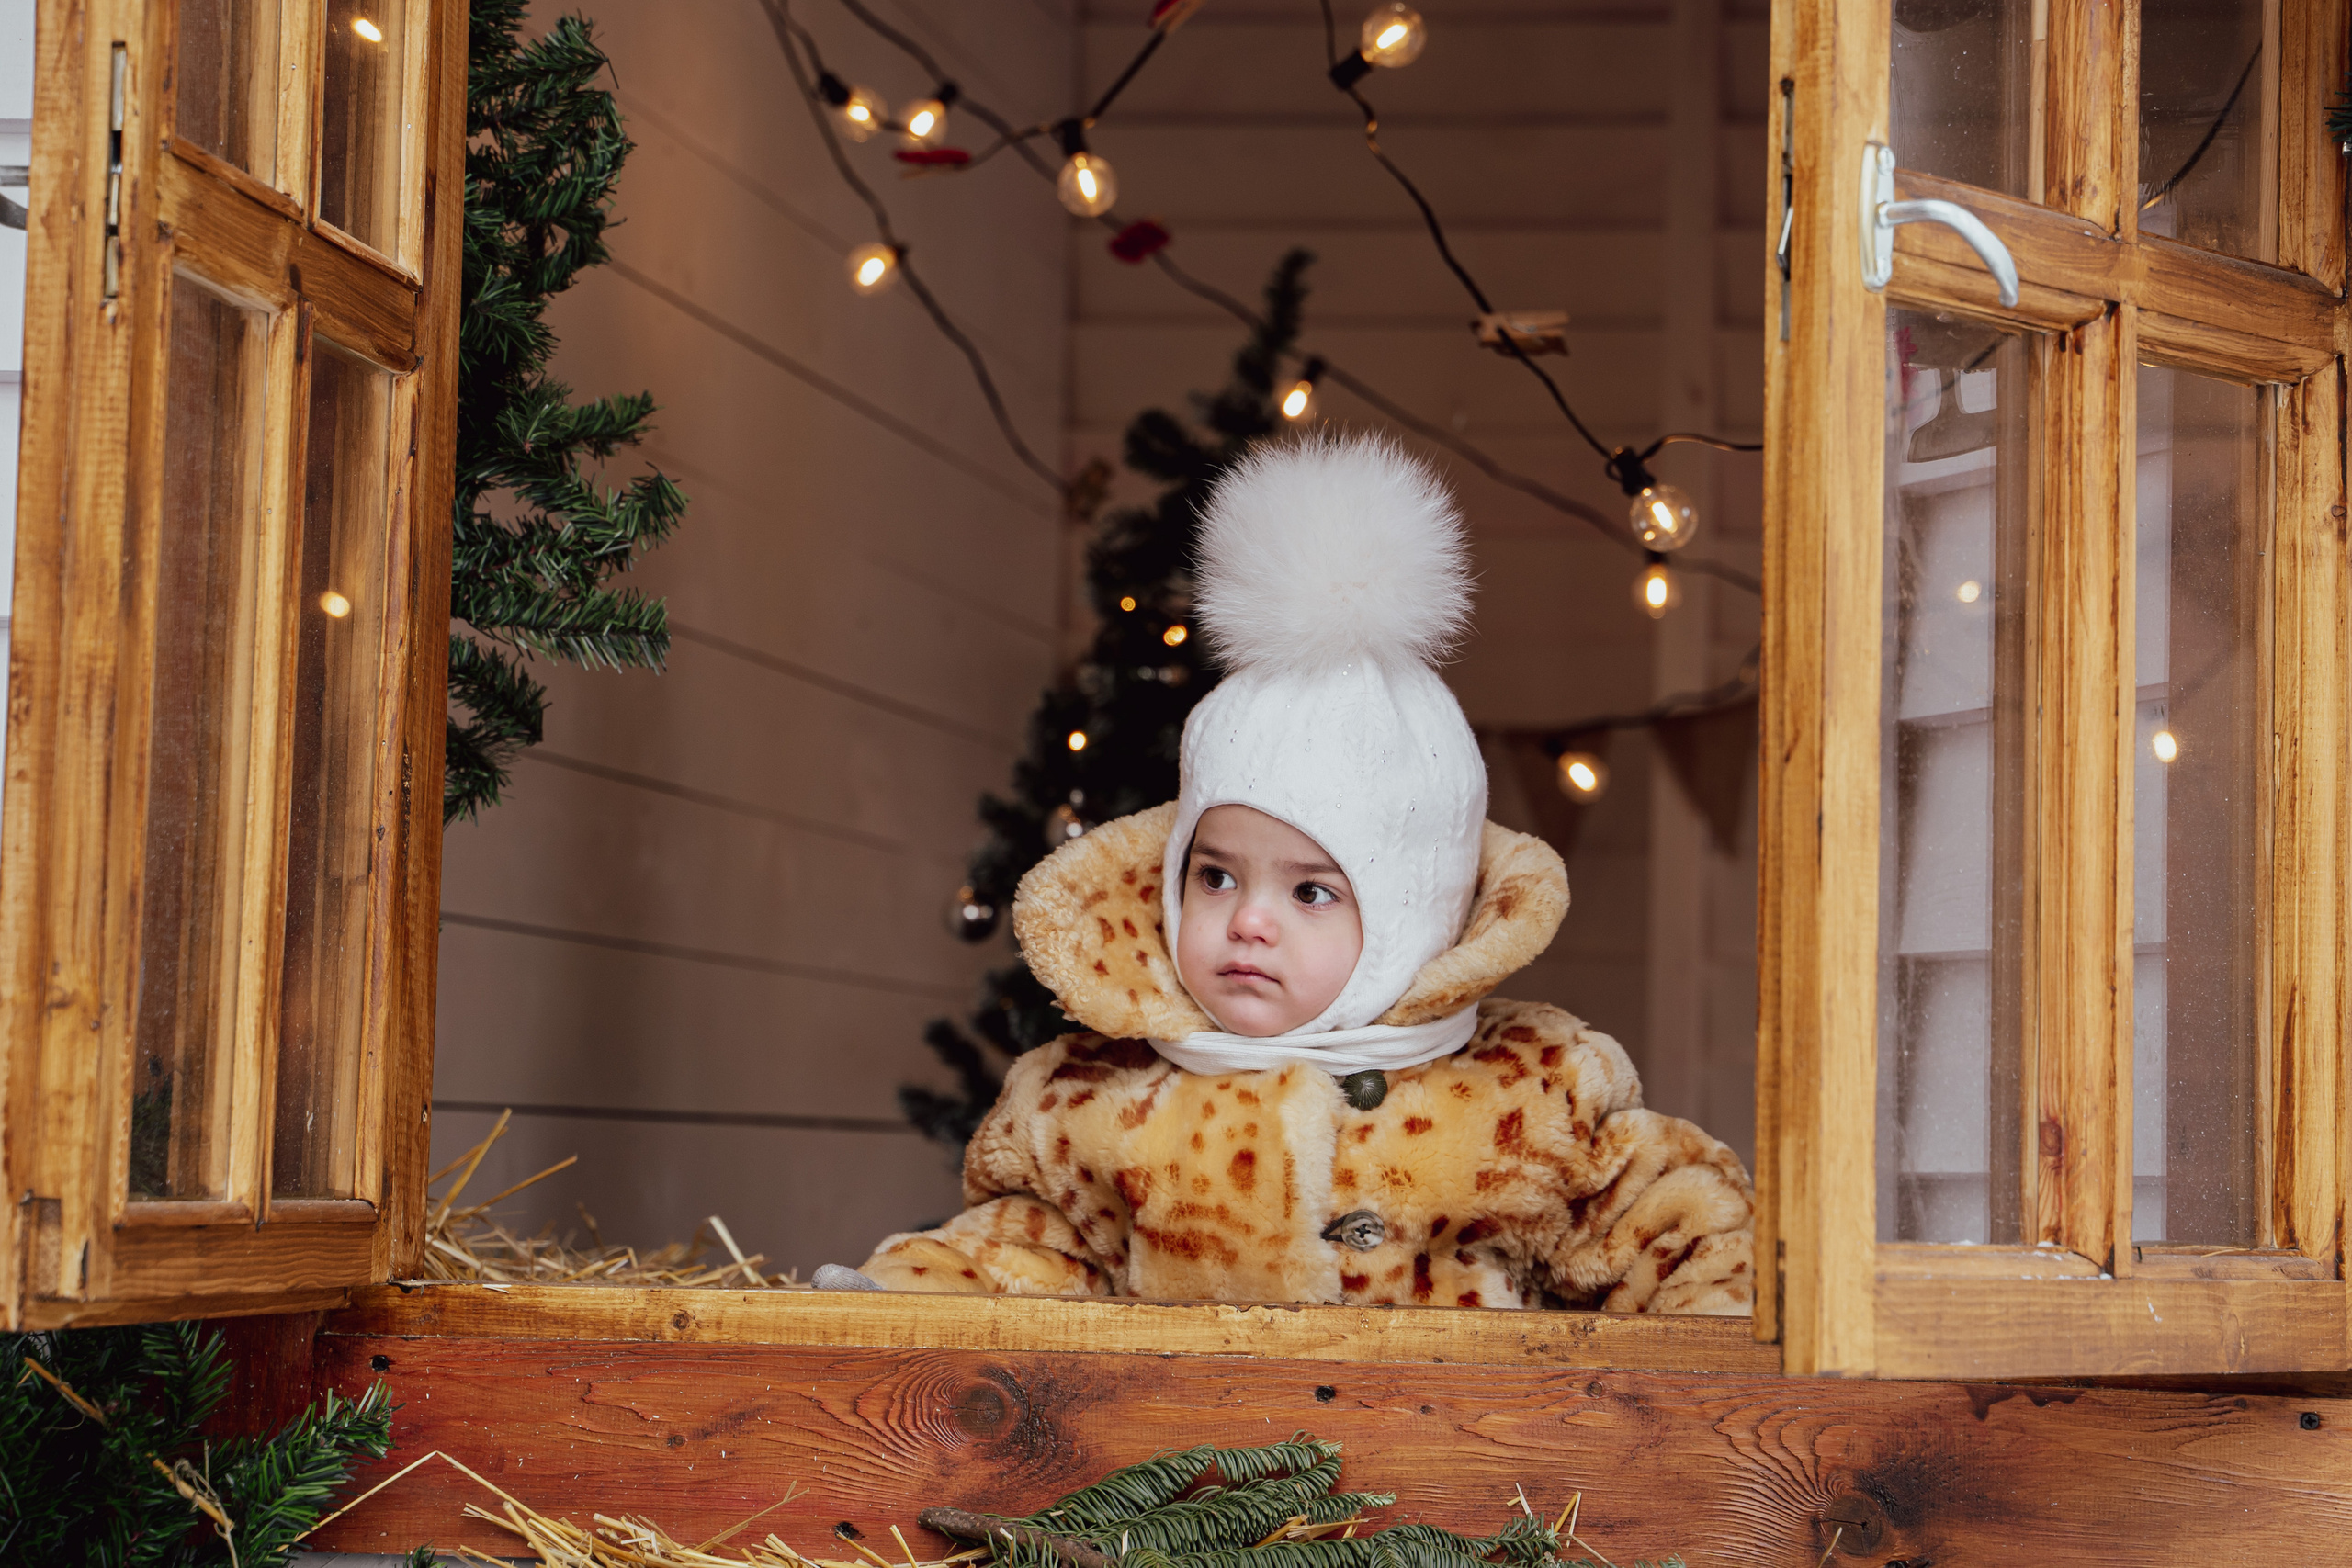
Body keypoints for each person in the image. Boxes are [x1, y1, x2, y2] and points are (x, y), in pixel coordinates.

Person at [825, 433, 1754, 1312]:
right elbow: (1013, 1254)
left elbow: (1681, 1233)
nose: (1247, 922)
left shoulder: (1528, 1092)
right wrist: (892, 1312)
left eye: (1311, 891)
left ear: (1412, 920)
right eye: (1216, 877)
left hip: (1456, 1470)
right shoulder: (1094, 1100)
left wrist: (1704, 1364)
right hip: (1180, 1477)